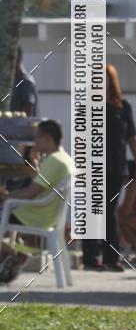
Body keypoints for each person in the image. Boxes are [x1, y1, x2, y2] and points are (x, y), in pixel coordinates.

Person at [82, 64, 136, 271]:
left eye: (104, 78)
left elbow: (132, 137)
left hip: (116, 168)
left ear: (111, 80)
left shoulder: (123, 107)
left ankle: (111, 257)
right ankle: (90, 258)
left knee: (109, 211)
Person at [0, 120, 72, 280]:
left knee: (4, 210)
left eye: (36, 137)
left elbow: (31, 193)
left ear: (47, 138)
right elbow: (42, 183)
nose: (34, 142)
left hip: (32, 215)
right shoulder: (63, 158)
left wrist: (6, 197)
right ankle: (13, 254)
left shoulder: (54, 161)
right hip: (46, 215)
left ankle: (15, 254)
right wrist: (35, 163)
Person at [10, 46, 39, 117]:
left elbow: (26, 112)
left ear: (18, 59)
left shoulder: (26, 82)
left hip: (21, 127)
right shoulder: (10, 81)